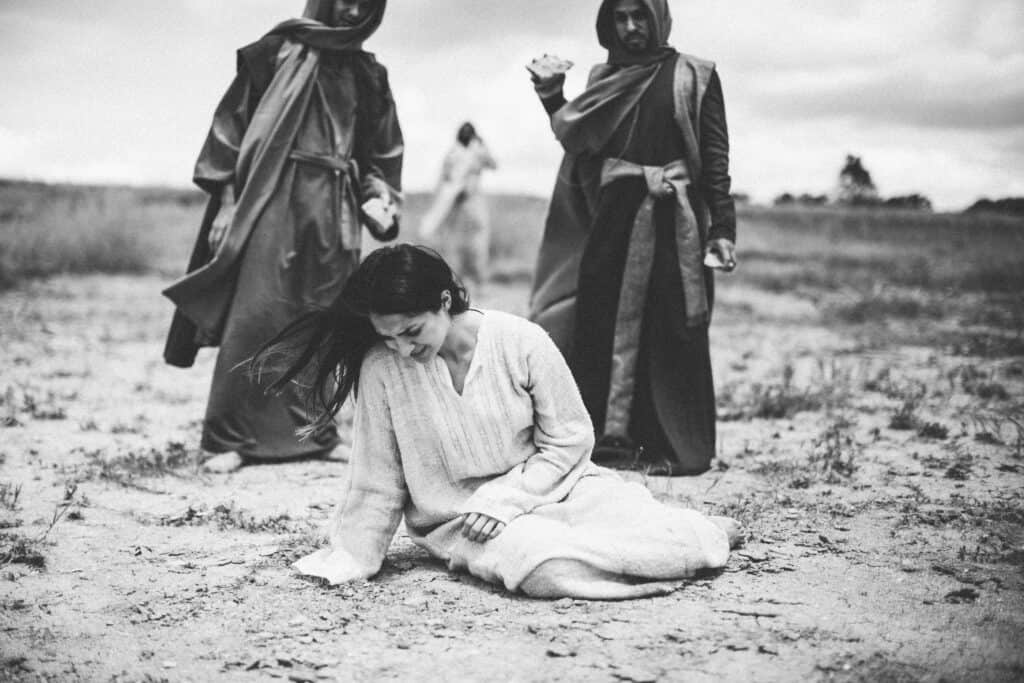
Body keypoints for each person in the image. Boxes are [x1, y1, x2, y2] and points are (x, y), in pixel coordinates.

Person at [252, 245, 740, 600]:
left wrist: (511, 497)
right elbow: (377, 477)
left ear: (445, 301)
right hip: (465, 520)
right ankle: (643, 573)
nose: (402, 347)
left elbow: (570, 440)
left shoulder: (520, 341)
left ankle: (698, 534)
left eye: (411, 331)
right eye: (389, 336)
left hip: (558, 489)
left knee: (644, 526)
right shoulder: (381, 368)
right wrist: (355, 554)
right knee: (543, 568)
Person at [162, 0, 403, 473]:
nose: (355, 12)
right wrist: (229, 203)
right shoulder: (273, 52)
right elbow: (230, 131)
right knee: (256, 314)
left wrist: (379, 198)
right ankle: (228, 438)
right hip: (271, 195)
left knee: (323, 318)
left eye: (367, 3)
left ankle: (315, 434)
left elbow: (379, 152)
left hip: (335, 205)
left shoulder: (369, 73)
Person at [527, 0, 737, 476]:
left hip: (675, 222)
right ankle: (605, 441)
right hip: (615, 221)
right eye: (620, 18)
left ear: (657, 18)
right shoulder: (605, 78)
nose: (630, 27)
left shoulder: (694, 75)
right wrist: (552, 96)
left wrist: (721, 228)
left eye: (639, 15)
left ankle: (672, 447)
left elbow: (716, 156)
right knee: (600, 323)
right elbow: (580, 143)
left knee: (673, 326)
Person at [418, 122, 497, 288]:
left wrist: (482, 146)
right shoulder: (454, 154)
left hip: (473, 203)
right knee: (457, 245)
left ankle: (479, 281)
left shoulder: (476, 152)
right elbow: (444, 179)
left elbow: (493, 164)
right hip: (458, 205)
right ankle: (460, 282)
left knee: (477, 244)